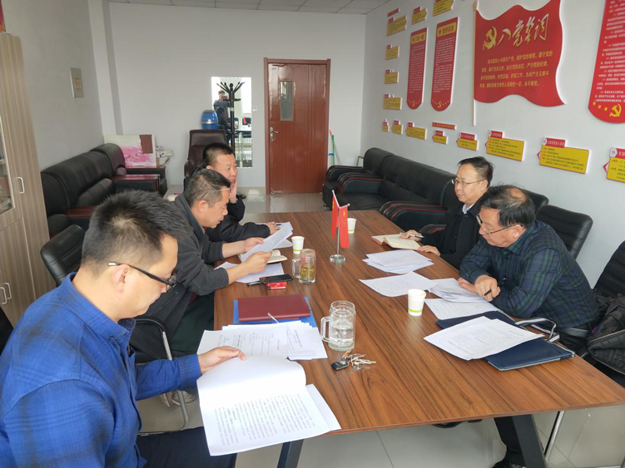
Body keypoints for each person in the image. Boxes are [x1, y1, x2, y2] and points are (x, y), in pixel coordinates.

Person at [0, 190, 245, 467]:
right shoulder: (62, 390)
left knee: (229, 442)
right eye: (165, 278)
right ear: (123, 276)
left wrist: (196, 364)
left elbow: (119, 379)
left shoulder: (73, 305)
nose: (166, 289)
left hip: (122, 451)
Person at [458, 185, 600, 468]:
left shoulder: (544, 250)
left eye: (487, 228)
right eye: (481, 223)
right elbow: (470, 262)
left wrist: (484, 293)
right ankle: (469, 405)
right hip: (530, 317)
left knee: (501, 373)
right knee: (459, 334)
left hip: (566, 331)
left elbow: (521, 306)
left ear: (516, 230)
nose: (481, 232)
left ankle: (521, 457)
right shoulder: (495, 231)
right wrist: (481, 277)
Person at [136, 169, 271, 357]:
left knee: (238, 307)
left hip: (185, 298)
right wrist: (246, 268)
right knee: (233, 331)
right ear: (202, 206)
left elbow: (205, 250)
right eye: (222, 207)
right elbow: (202, 282)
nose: (225, 213)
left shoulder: (183, 215)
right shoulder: (176, 231)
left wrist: (242, 246)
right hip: (169, 318)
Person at [400, 156, 493, 268]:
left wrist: (441, 256)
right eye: (457, 181)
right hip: (445, 265)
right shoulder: (462, 205)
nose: (458, 187)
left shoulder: (488, 217)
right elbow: (445, 237)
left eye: (464, 182)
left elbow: (475, 260)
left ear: (482, 185)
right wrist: (420, 237)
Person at [188, 142, 279, 242]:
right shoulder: (204, 190)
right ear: (211, 170)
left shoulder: (216, 184)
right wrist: (263, 230)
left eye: (235, 166)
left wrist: (232, 199)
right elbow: (226, 232)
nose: (234, 173)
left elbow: (235, 218)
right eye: (228, 168)